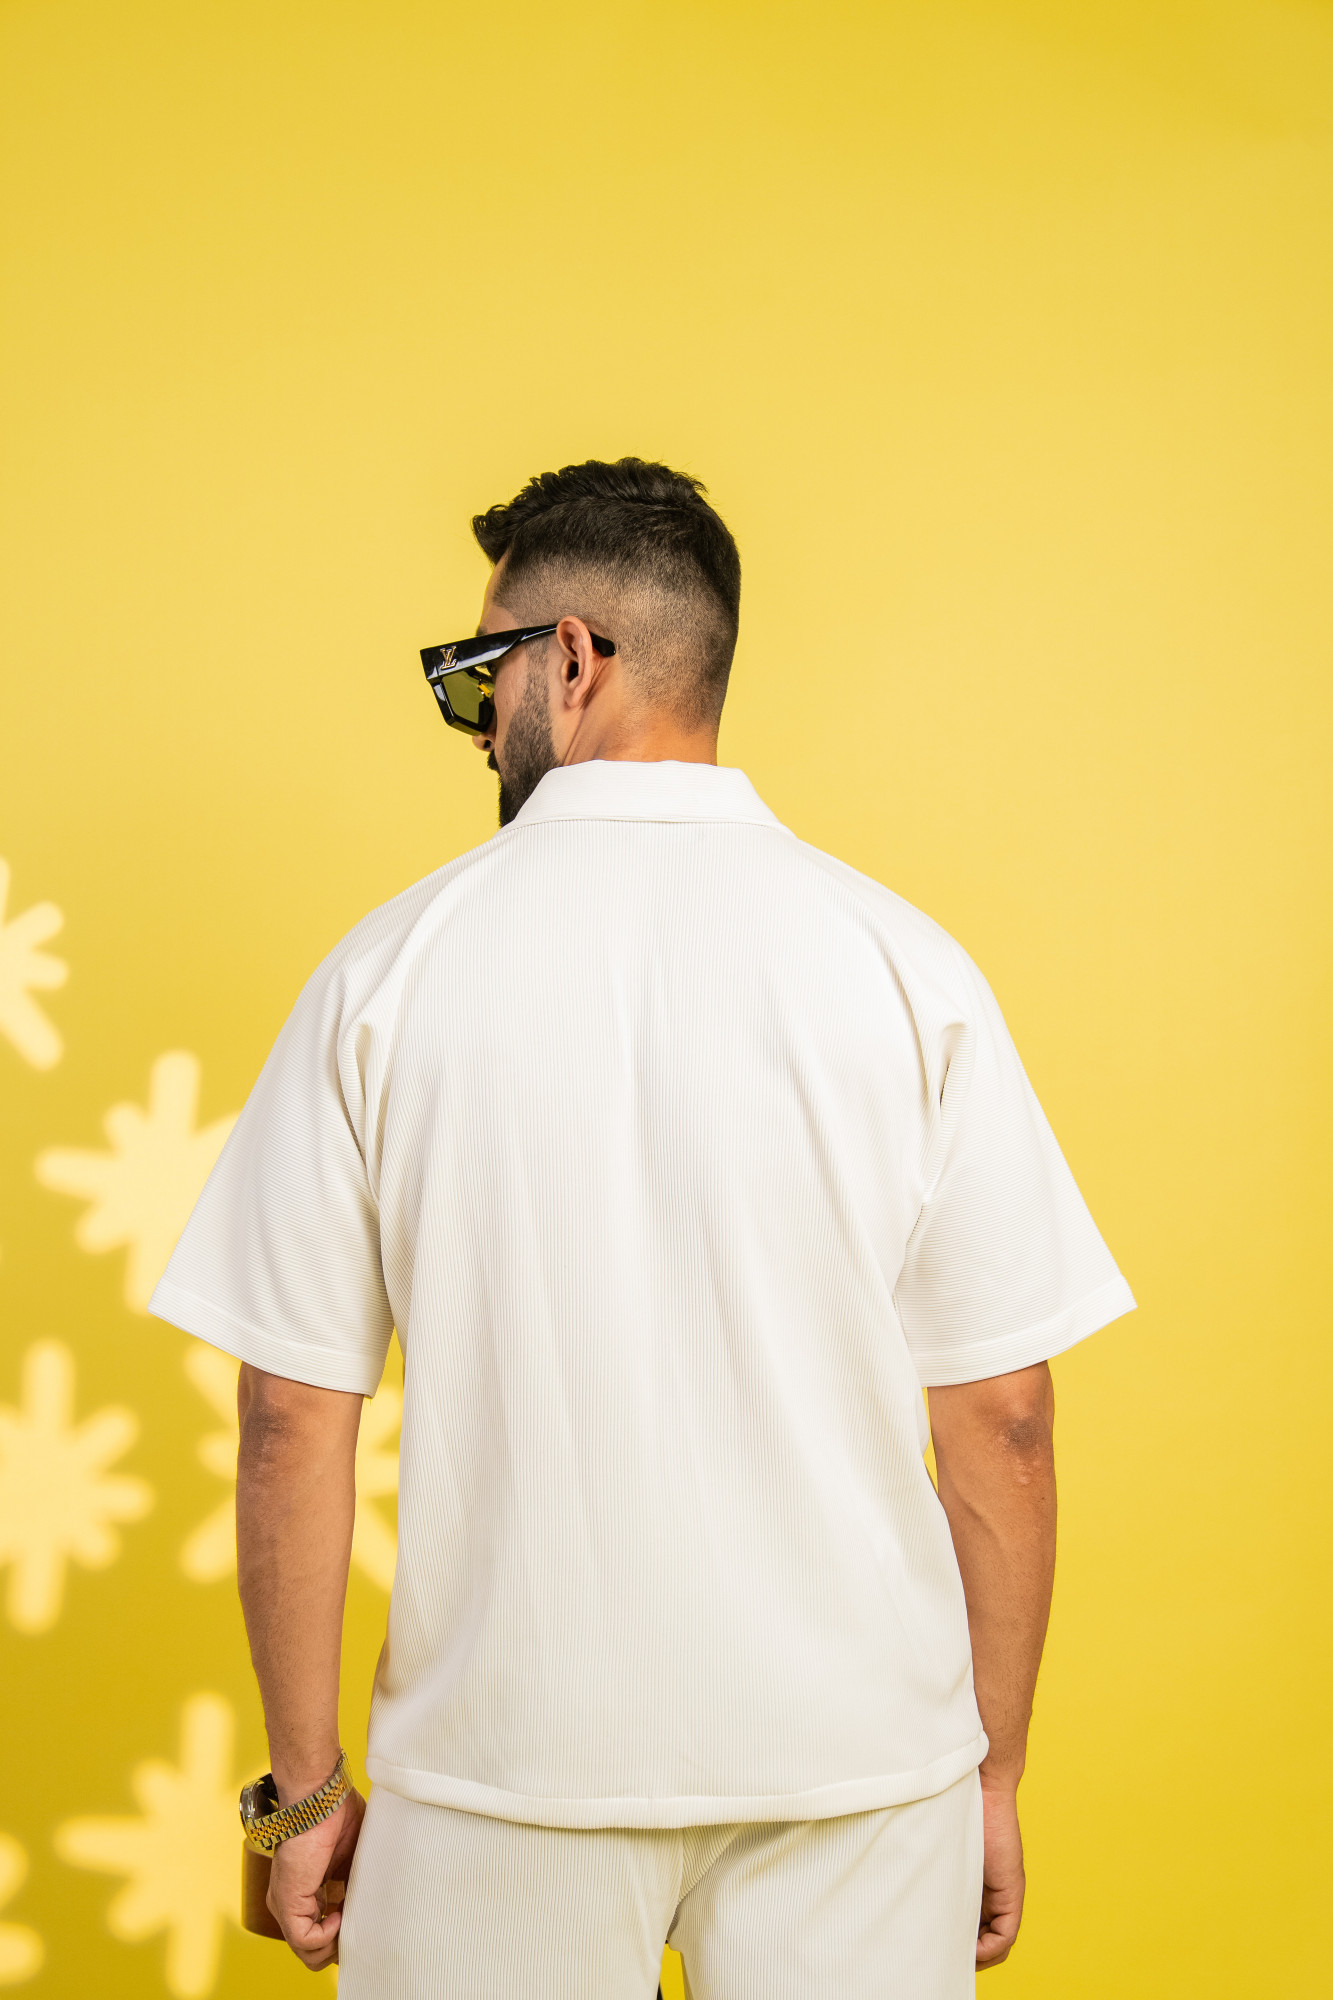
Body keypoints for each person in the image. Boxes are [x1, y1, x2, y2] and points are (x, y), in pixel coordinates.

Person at [151, 457, 1135, 1998]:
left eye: (476, 678)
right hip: (861, 1769)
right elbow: (1001, 1420)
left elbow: (289, 1413)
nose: (476, 728)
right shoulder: (901, 968)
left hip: (497, 1773)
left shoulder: (389, 972)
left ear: (569, 659)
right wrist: (989, 1779)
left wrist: (306, 1792)